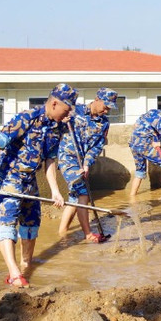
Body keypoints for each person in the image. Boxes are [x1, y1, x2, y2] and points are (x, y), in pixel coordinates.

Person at [0, 83, 78, 288]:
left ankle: (26, 266)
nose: (68, 114)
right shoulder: (25, 119)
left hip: (30, 181)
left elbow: (50, 161)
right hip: (10, 178)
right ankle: (14, 274)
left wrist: (55, 191)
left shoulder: (57, 127)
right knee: (8, 222)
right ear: (54, 103)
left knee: (31, 223)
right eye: (67, 109)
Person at [57, 87, 117, 243]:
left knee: (74, 197)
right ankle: (88, 234)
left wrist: (87, 163)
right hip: (68, 157)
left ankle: (62, 232)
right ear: (97, 100)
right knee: (82, 193)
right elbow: (54, 124)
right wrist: (61, 122)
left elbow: (97, 146)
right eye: (105, 106)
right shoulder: (74, 111)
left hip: (82, 161)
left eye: (110, 108)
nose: (107, 111)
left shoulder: (104, 123)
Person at [128, 101, 161, 197]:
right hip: (144, 142)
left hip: (133, 142)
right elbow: (160, 132)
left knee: (140, 171)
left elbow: (136, 125)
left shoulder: (152, 111)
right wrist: (155, 140)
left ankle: (132, 197)